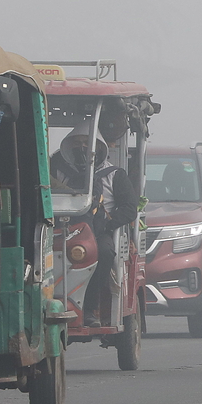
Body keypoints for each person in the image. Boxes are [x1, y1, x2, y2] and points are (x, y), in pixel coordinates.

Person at [51, 125, 137, 326]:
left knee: (105, 252)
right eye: (77, 144)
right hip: (60, 230)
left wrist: (108, 223)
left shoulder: (115, 175)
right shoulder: (56, 170)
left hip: (99, 232)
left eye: (86, 144)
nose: (82, 148)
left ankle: (90, 309)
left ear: (98, 147)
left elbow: (129, 208)